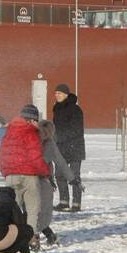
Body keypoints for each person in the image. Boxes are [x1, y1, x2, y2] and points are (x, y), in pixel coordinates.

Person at [0, 104, 51, 250]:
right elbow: (36, 158)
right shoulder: (31, 132)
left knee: (11, 210)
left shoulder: (9, 132)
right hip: (29, 176)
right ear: (32, 120)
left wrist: (5, 172)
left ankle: (7, 238)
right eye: (36, 120)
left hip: (11, 176)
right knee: (33, 209)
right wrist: (46, 172)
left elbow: (1, 154)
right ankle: (32, 238)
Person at [37, 110, 75, 247]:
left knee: (42, 211)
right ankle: (44, 235)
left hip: (44, 180)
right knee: (35, 210)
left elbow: (60, 161)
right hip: (32, 179)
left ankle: (46, 235)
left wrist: (72, 178)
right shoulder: (32, 141)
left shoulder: (50, 144)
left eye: (46, 134)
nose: (43, 136)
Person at [52, 84, 85, 212]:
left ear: (66, 94)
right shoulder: (57, 109)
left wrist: (59, 137)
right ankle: (63, 201)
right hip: (60, 147)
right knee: (59, 174)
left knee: (74, 175)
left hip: (75, 147)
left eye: (59, 93)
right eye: (56, 93)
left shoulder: (75, 109)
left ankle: (76, 203)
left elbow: (76, 129)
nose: (57, 95)